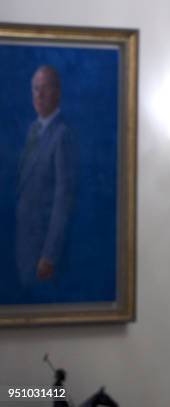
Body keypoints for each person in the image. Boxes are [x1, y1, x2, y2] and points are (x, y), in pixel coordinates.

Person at [16, 65, 76, 291]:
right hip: (24, 245)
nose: (39, 95)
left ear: (57, 92)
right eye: (35, 89)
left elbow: (63, 200)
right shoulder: (33, 130)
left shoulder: (62, 136)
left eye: (45, 89)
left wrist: (49, 255)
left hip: (43, 252)